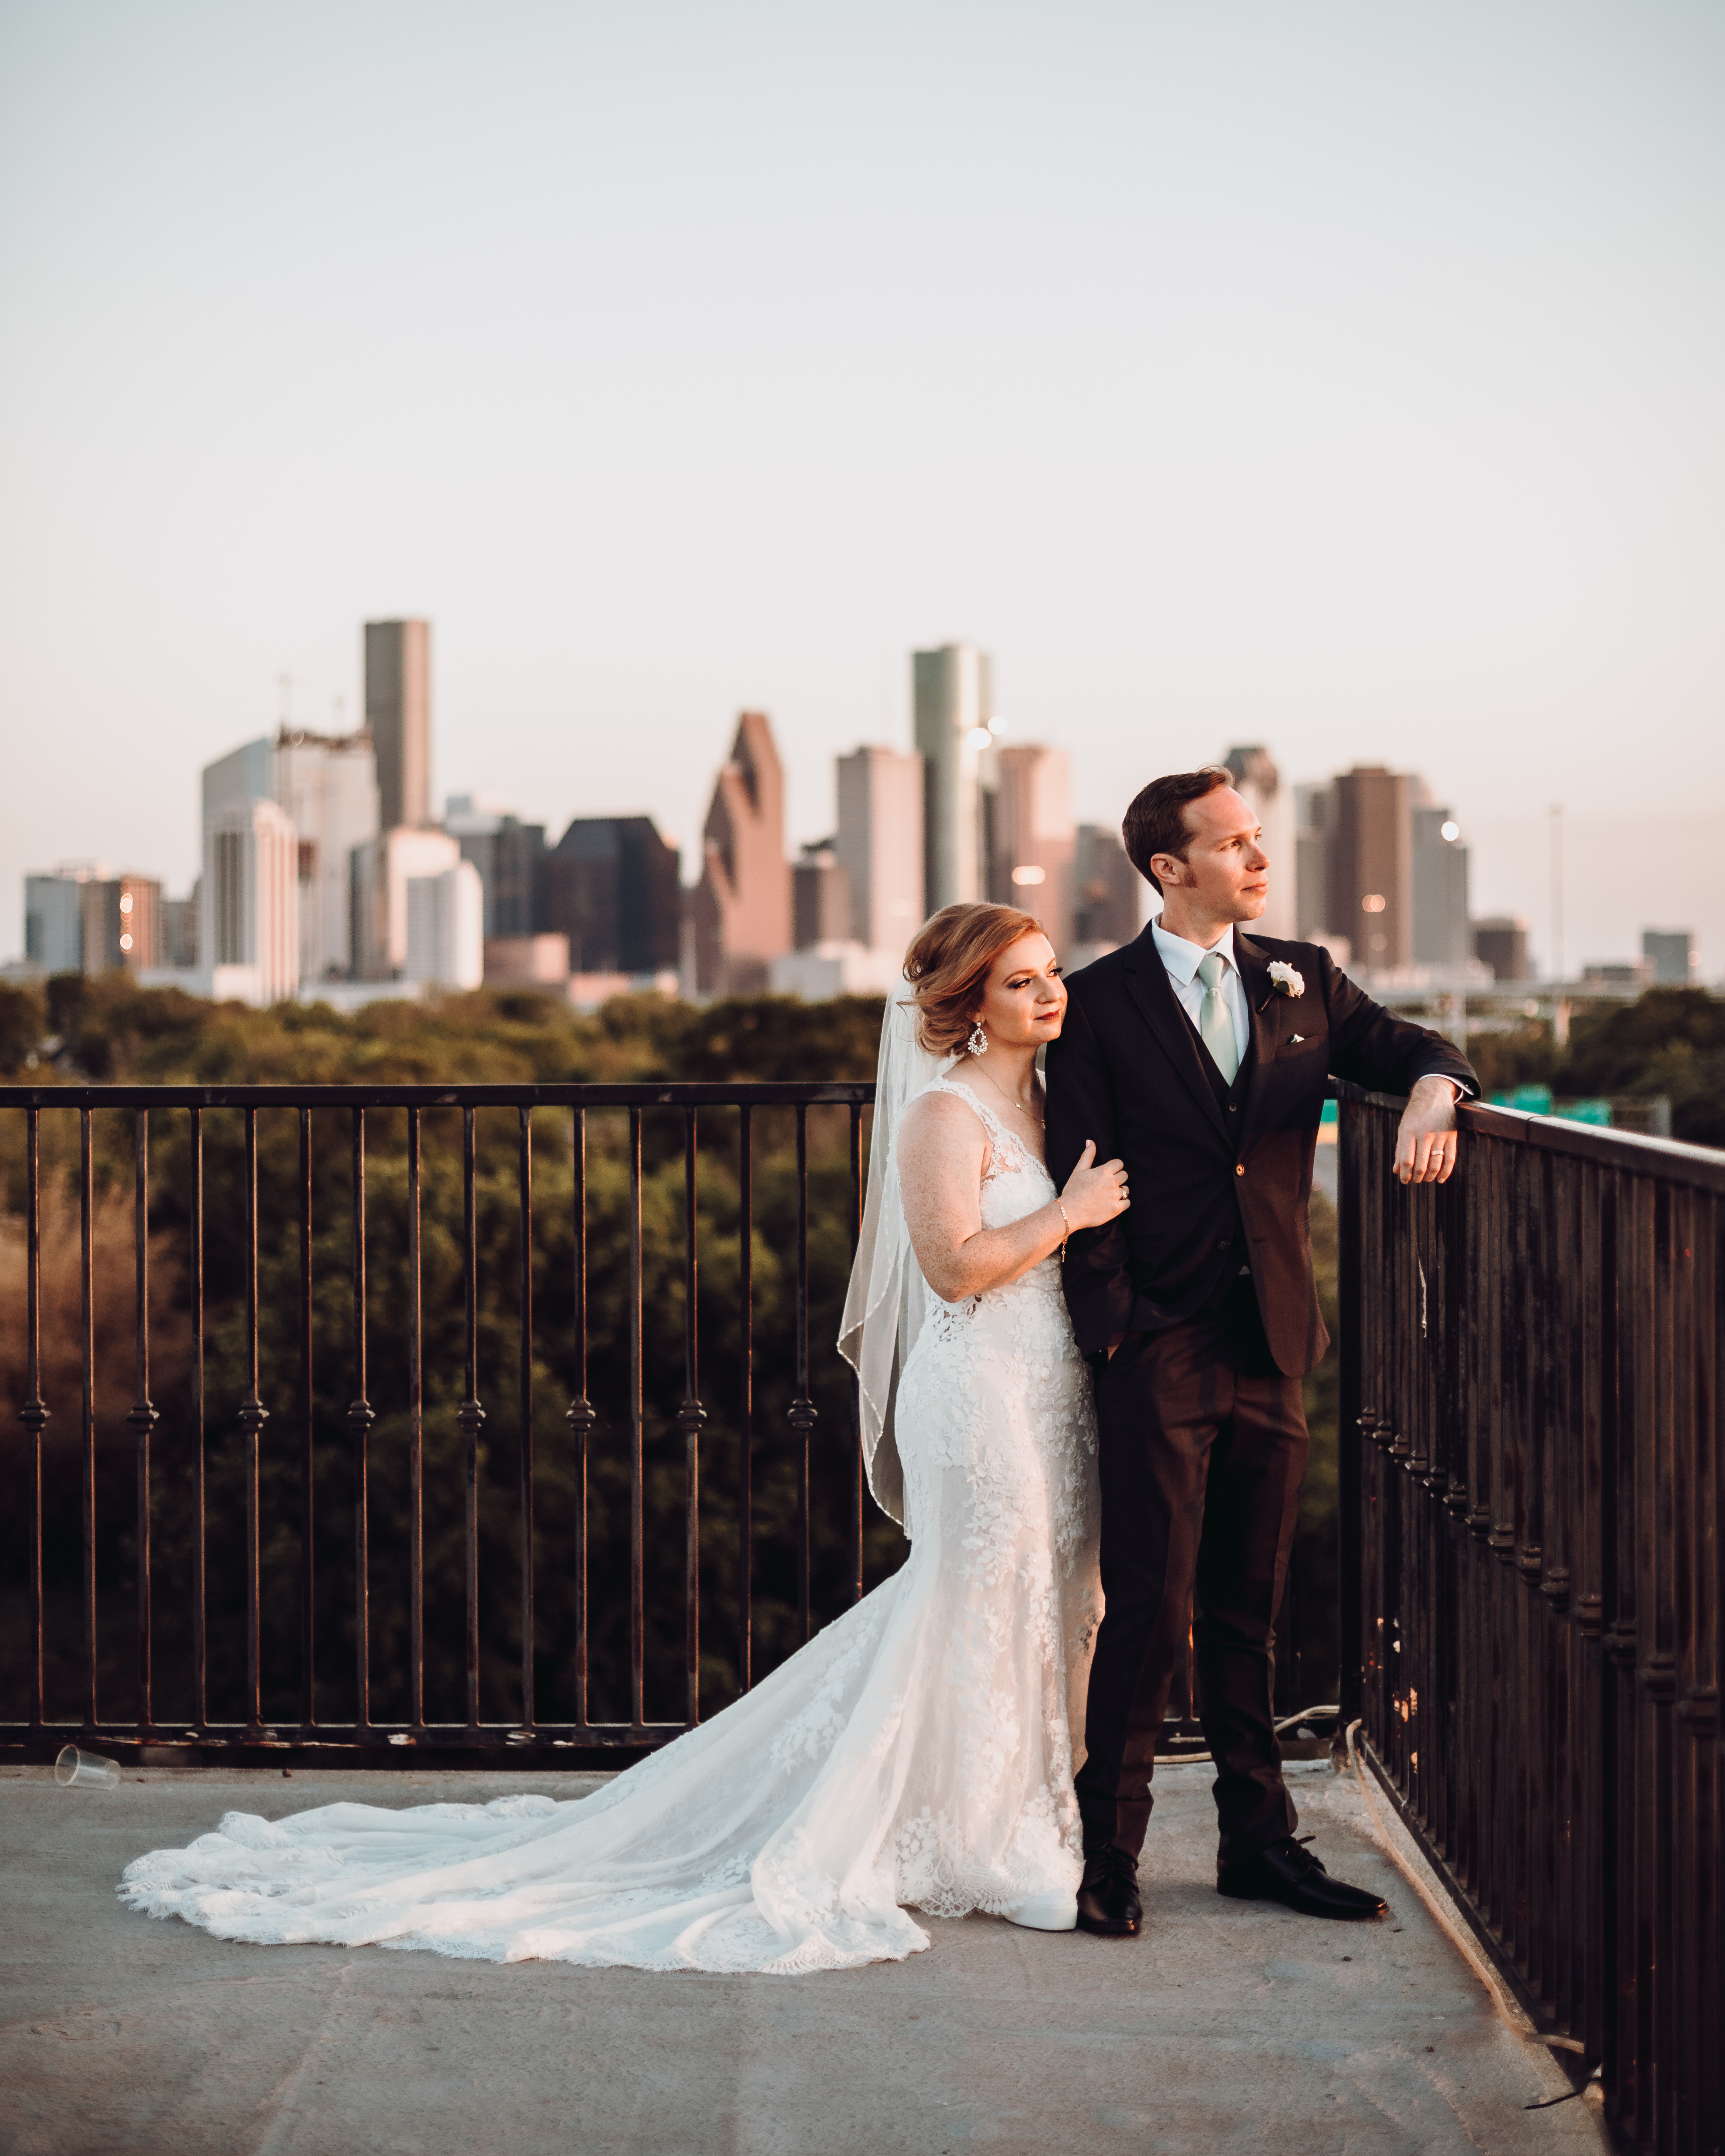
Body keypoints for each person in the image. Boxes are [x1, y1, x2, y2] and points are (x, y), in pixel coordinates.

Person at [119, 903, 1128, 1972]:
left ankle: (1029, 1809)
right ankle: (993, 1844)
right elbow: (954, 1269)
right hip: (976, 1388)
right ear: (967, 1003)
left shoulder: (1061, 1102)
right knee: (983, 1589)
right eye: (1021, 981)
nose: (1050, 992)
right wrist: (1067, 1215)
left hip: (1057, 1386)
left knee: (1061, 1593)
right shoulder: (945, 1114)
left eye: (1051, 972)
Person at [1045, 767, 1478, 1939]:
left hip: (1275, 1342)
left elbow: (1408, 1043)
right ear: (1168, 867)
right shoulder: (1098, 1003)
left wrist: (1438, 1088)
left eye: (1257, 840)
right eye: (1232, 845)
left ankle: (1259, 1846)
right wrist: (1118, 1335)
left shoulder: (1306, 977)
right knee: (1147, 1607)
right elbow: (1075, 1185)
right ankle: (1110, 1856)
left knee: (1248, 1604)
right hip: (1160, 1347)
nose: (1258, 859)